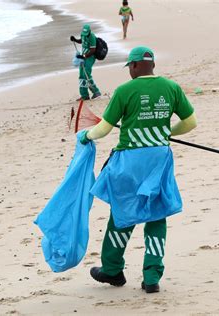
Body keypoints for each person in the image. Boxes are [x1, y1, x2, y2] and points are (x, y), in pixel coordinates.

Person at [80, 46, 197, 293]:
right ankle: (152, 276)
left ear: (133, 66)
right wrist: (166, 133)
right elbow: (190, 122)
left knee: (123, 211)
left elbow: (104, 129)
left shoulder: (124, 91)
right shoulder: (171, 88)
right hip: (159, 159)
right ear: (152, 65)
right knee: (156, 213)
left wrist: (85, 137)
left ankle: (112, 270)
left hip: (130, 161)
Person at [70, 24, 102, 101]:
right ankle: (84, 95)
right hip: (83, 57)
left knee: (86, 75)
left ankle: (95, 91)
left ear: (89, 31)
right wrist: (75, 39)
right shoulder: (83, 34)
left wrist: (84, 56)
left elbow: (92, 50)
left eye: (86, 34)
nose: (85, 35)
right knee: (81, 76)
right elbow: (82, 40)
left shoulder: (92, 37)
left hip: (90, 57)